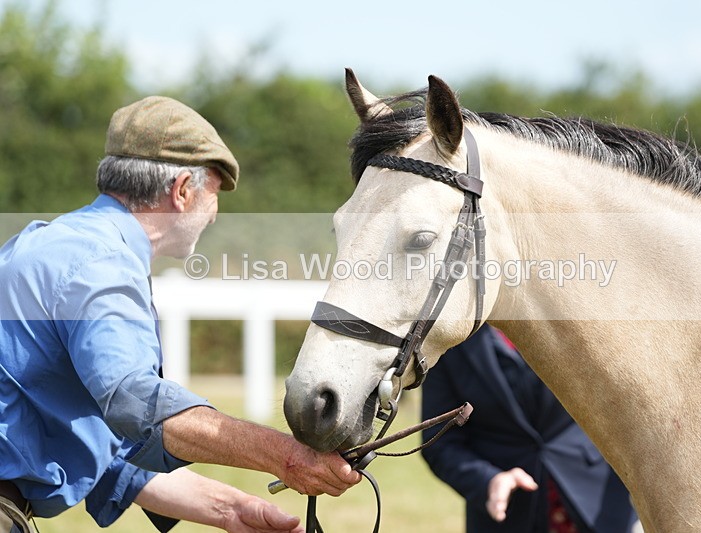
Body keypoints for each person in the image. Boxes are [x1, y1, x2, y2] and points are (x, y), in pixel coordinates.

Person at [0, 96, 360, 533]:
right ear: (183, 189)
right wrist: (286, 457)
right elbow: (137, 404)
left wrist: (231, 510)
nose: (214, 216)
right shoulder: (99, 263)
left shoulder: (53, 242)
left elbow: (104, 451)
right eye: (214, 194)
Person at [421, 324, 639, 533]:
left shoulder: (578, 325)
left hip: (600, 506)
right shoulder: (448, 345)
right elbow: (439, 443)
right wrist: (488, 480)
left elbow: (629, 413)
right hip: (505, 517)